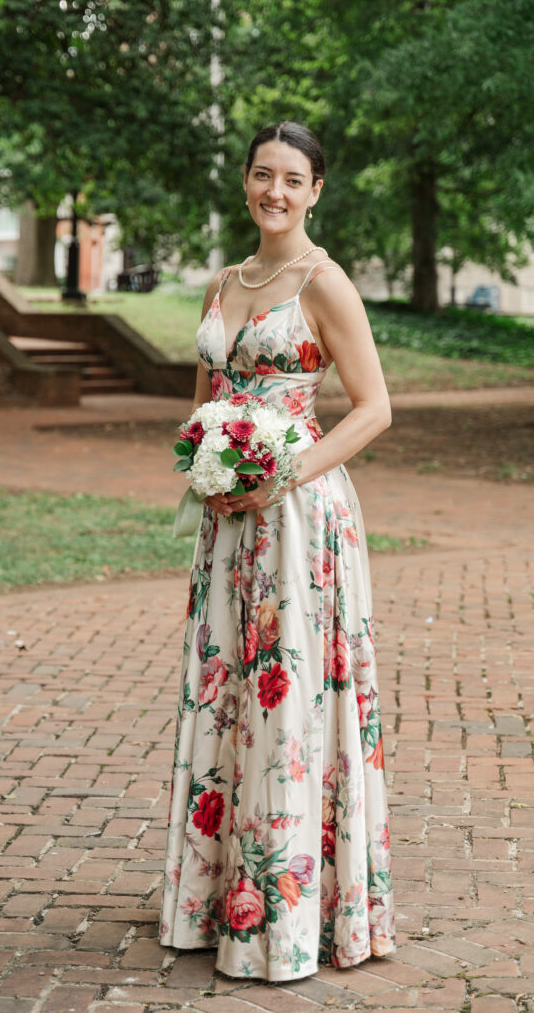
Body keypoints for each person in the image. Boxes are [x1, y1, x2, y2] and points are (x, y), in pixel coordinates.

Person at [159, 120, 395, 982]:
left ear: (315, 190)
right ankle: (212, 903)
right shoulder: (223, 283)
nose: (275, 192)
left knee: (287, 694)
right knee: (226, 689)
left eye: (293, 179)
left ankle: (290, 918)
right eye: (263, 175)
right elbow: (204, 402)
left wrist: (281, 474)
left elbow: (373, 408)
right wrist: (205, 463)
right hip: (227, 519)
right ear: (246, 181)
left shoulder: (324, 283)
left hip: (298, 517)